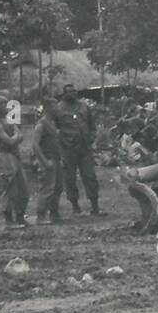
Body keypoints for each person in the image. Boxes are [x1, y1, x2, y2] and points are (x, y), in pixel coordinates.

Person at [57, 84, 102, 215]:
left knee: (90, 176)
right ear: (64, 94)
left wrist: (92, 137)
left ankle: (95, 206)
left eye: (74, 91)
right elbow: (53, 127)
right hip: (68, 149)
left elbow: (92, 124)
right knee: (70, 178)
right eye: (70, 92)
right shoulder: (59, 109)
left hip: (84, 148)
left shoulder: (83, 106)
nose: (73, 93)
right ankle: (75, 206)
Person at [0, 96, 29, 229]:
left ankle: (20, 216)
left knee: (22, 187)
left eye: (6, 104)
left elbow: (20, 136)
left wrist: (15, 136)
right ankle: (8, 220)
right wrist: (16, 136)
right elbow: (9, 141)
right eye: (2, 104)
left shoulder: (8, 120)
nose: (6, 107)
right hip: (5, 156)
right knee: (9, 188)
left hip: (15, 155)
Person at [30, 96, 63, 224]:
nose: (58, 109)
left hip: (56, 159)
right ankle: (41, 215)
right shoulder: (41, 125)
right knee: (47, 188)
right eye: (55, 106)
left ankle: (54, 213)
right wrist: (44, 161)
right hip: (47, 160)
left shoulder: (53, 123)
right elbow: (35, 145)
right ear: (48, 108)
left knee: (58, 187)